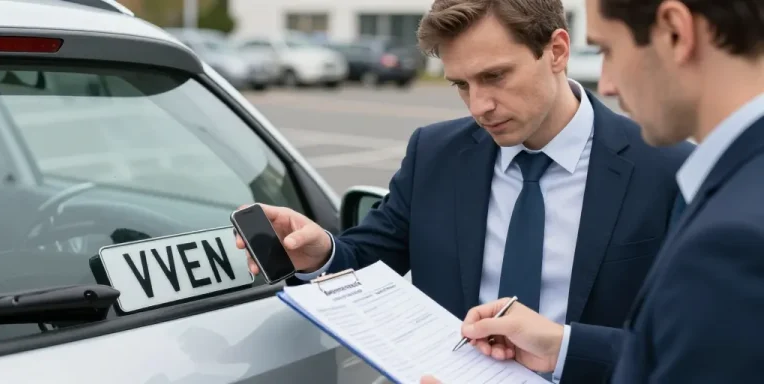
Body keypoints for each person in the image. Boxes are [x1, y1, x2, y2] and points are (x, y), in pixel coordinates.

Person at [239, 0, 691, 381]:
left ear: (556, 51)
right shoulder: (434, 153)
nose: (479, 106)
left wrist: (566, 349)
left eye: (495, 77)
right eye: (461, 85)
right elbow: (373, 259)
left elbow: (691, 343)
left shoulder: (667, 169)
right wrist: (320, 253)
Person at [421, 0, 764, 383]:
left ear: (675, 31)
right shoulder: (736, 187)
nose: (607, 84)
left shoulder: (733, 233)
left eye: (608, 50)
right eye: (462, 85)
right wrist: (561, 347)